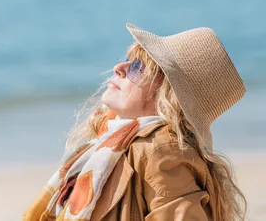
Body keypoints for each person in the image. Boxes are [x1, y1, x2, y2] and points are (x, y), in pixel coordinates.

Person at [23, 23, 246, 221]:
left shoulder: (160, 148)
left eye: (138, 67)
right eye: (128, 60)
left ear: (168, 96)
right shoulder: (115, 137)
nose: (119, 69)